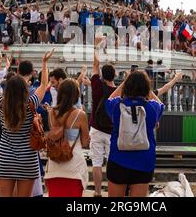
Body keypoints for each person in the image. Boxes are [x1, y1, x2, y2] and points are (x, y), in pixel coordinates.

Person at [0, 46, 50, 197]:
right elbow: (44, 85)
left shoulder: (2, 104)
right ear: (25, 89)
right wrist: (44, 62)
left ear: (8, 89)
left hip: (5, 159)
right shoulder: (31, 103)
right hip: (28, 160)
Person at [105, 71, 165, 197]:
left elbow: (109, 99)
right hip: (143, 161)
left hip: (118, 159)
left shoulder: (116, 107)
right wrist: (149, 90)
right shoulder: (153, 108)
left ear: (127, 86)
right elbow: (161, 104)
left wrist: (123, 83)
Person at [44, 79, 90, 197]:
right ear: (76, 94)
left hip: (54, 166)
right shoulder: (80, 115)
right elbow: (85, 142)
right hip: (74, 167)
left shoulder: (51, 113)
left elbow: (55, 135)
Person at [89, 37, 117, 197]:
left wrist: (97, 47)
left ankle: (98, 192)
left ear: (103, 75)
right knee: (113, 162)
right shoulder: (118, 91)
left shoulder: (97, 85)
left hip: (96, 128)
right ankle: (113, 192)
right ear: (114, 75)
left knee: (97, 163)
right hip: (112, 131)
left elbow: (95, 65)